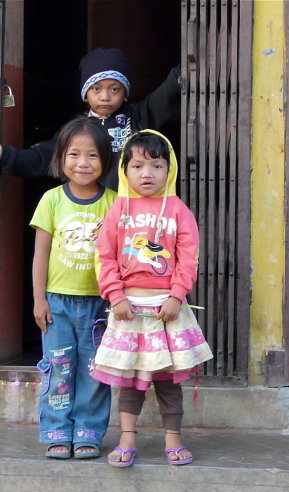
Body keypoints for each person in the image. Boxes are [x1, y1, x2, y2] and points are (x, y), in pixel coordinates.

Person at [92, 130, 213, 467]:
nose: (147, 174)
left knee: (167, 380)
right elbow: (104, 256)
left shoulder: (177, 210)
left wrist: (177, 295)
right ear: (124, 170)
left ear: (169, 169)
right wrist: (115, 295)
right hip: (127, 310)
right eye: (138, 166)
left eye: (157, 166)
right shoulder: (118, 209)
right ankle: (127, 437)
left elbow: (189, 256)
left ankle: (173, 437)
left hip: (167, 311)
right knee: (131, 379)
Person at [30, 116, 117, 459]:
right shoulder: (51, 200)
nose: (83, 163)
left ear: (106, 161)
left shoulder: (113, 202)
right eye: (74, 154)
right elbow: (41, 253)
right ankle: (56, 430)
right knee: (58, 366)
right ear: (61, 157)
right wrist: (39, 299)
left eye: (93, 155)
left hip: (100, 304)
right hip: (58, 302)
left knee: (96, 370)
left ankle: (88, 432)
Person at [0, 48, 180, 188]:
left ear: (125, 93)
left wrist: (187, 67)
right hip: (88, 214)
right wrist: (6, 155)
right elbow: (43, 158)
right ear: (85, 94)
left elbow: (165, 96)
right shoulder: (77, 129)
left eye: (115, 89)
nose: (105, 96)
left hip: (130, 212)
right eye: (96, 89)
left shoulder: (138, 116)